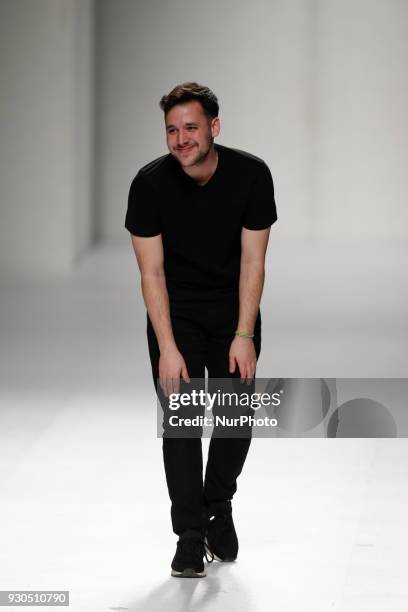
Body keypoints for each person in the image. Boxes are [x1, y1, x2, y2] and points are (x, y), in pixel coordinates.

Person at [124, 82, 277, 578]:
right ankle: (190, 536)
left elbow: (254, 262)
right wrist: (167, 348)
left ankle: (219, 506)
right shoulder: (149, 184)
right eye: (172, 129)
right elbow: (151, 273)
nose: (180, 139)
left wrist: (245, 333)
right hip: (177, 315)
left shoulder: (251, 176)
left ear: (214, 127)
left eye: (191, 127)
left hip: (234, 313)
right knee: (183, 424)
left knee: (236, 419)